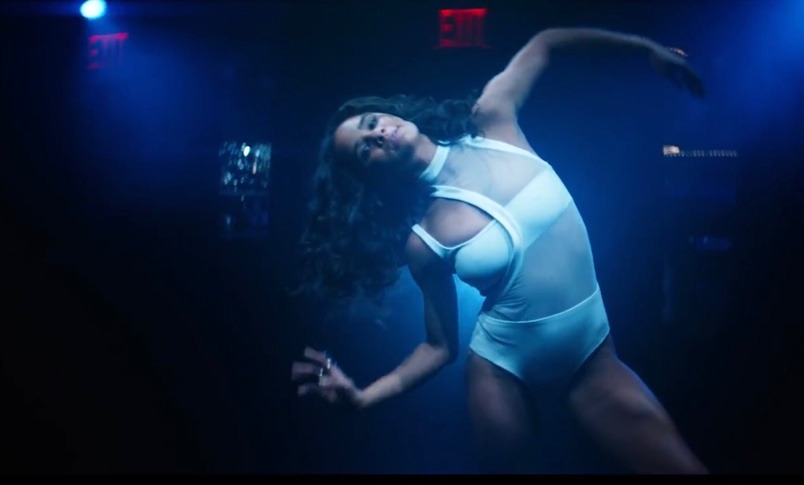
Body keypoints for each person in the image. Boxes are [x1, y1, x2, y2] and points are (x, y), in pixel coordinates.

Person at [292, 26, 709, 474]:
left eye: (371, 122)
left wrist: (644, 48)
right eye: (365, 149)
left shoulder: (491, 119)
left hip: (591, 358)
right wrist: (363, 397)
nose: (378, 134)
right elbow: (438, 347)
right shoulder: (424, 241)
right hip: (501, 367)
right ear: (372, 177)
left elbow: (547, 42)